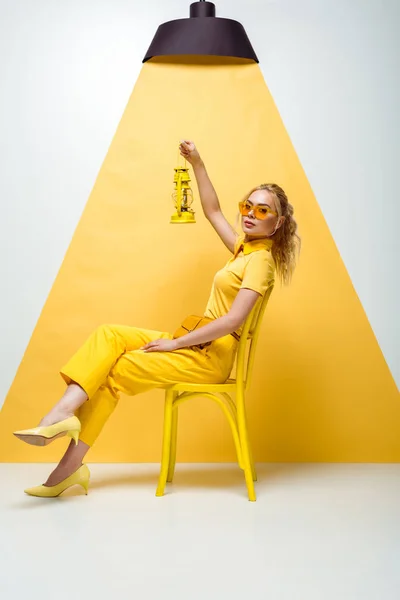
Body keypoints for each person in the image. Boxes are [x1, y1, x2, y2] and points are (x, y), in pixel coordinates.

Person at [13, 140, 300, 497]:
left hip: (209, 357)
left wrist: (175, 343)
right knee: (109, 336)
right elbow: (212, 211)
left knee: (117, 370)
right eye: (247, 206)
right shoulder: (245, 249)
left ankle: (66, 469)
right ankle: (60, 414)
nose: (249, 215)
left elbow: (232, 322)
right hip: (196, 343)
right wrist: (196, 161)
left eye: (262, 211)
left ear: (278, 222)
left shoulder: (261, 262)